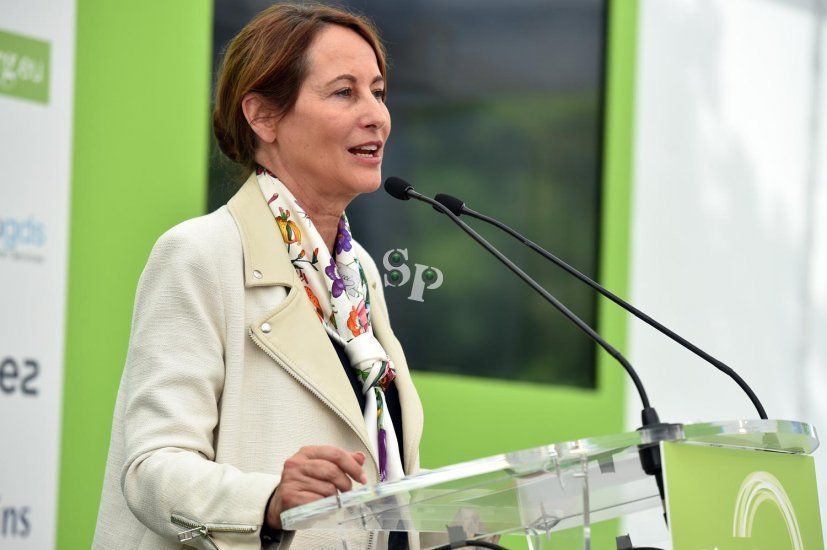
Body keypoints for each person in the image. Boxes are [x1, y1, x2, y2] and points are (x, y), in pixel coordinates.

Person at [93, 4, 423, 549]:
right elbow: (152, 468)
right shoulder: (200, 254)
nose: (377, 116)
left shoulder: (358, 273)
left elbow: (381, 475)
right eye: (344, 92)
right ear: (263, 117)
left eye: (379, 92)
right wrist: (268, 501)